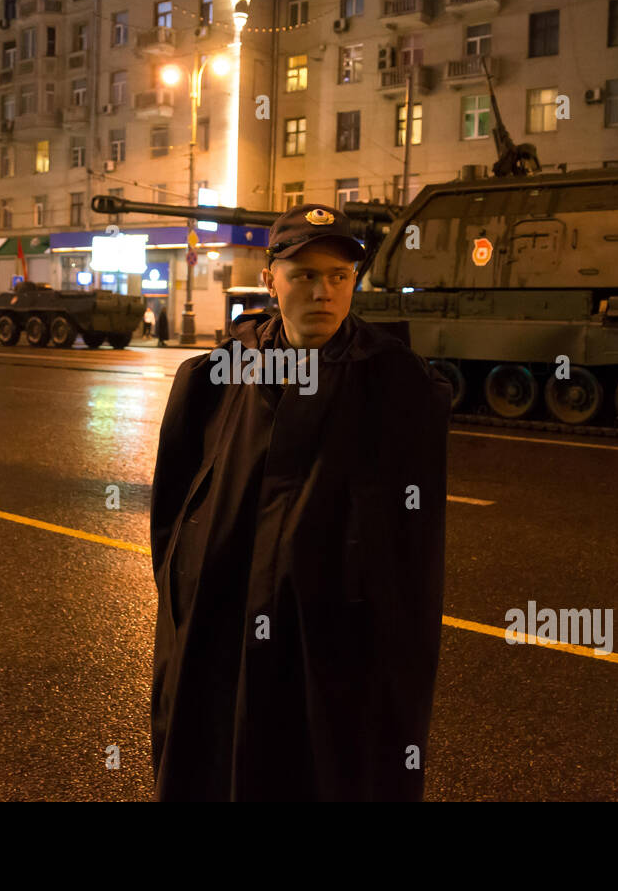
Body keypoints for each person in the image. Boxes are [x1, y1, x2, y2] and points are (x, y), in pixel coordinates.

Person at [149, 202, 453, 801]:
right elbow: (174, 512)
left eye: (340, 277)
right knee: (222, 759)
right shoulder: (215, 377)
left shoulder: (399, 385)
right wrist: (187, 589)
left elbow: (416, 544)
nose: (325, 292)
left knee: (325, 769)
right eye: (305, 275)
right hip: (227, 630)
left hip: (335, 641)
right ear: (270, 280)